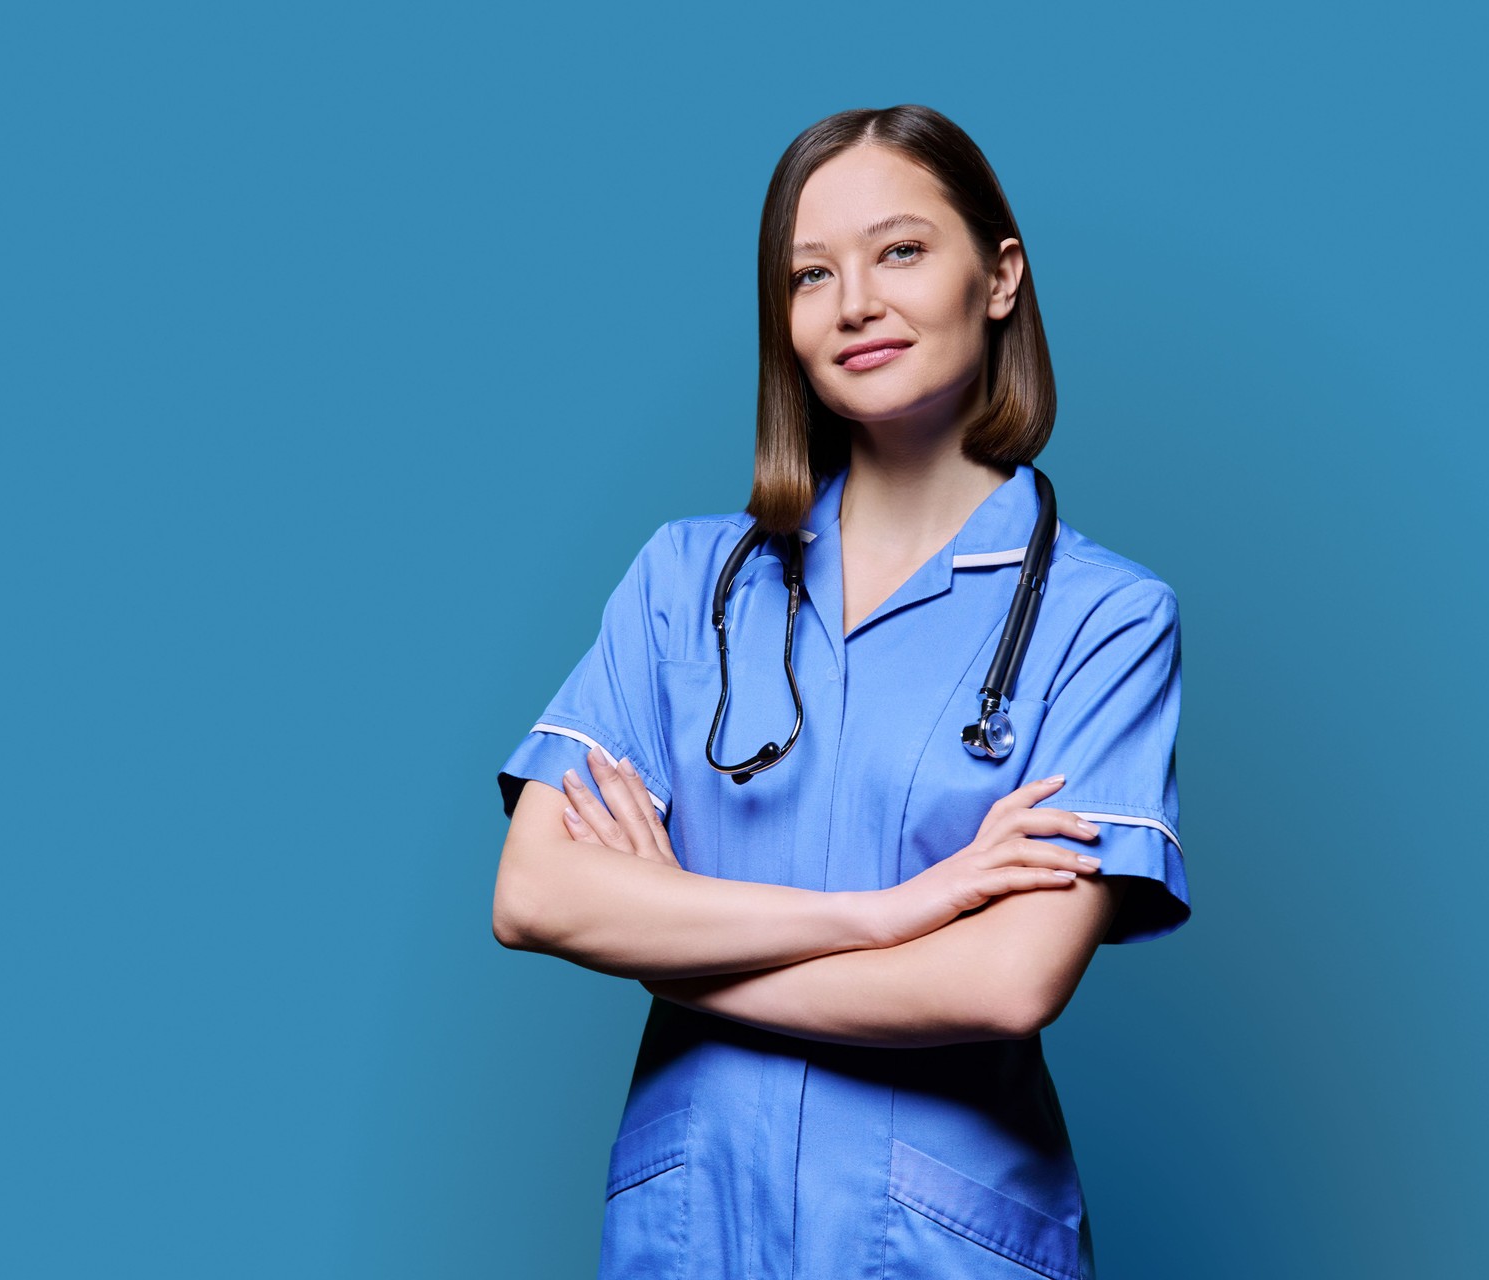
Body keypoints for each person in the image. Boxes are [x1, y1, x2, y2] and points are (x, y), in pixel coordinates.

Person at [490, 104, 1189, 1280]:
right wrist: (889, 913)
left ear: (1001, 276)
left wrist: (675, 938)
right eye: (811, 273)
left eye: (901, 250)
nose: (855, 300)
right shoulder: (684, 580)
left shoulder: (1103, 619)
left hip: (943, 1239)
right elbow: (536, 892)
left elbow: (1006, 979)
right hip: (692, 1227)